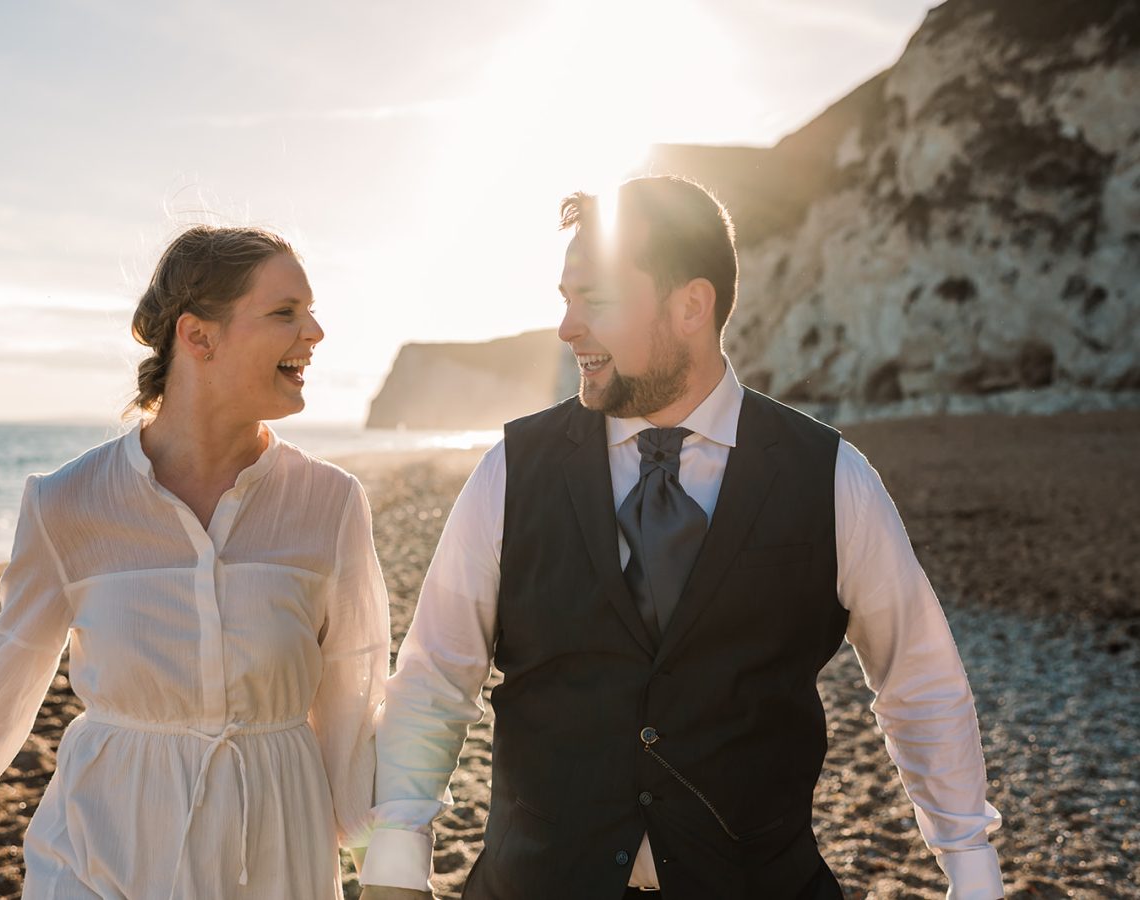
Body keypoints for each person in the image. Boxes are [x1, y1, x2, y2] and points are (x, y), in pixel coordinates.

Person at [359, 176, 1004, 899]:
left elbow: (918, 680)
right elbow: (436, 678)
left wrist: (971, 870)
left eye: (595, 299)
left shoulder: (830, 477)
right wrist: (396, 860)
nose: (569, 327)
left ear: (691, 305)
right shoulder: (510, 471)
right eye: (565, 299)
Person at [0, 225, 389, 899]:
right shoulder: (66, 502)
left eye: (310, 310)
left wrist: (374, 851)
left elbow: (355, 688)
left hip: (276, 850)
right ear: (199, 336)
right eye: (285, 312)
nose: (316, 332)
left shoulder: (328, 503)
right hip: (105, 846)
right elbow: (8, 669)